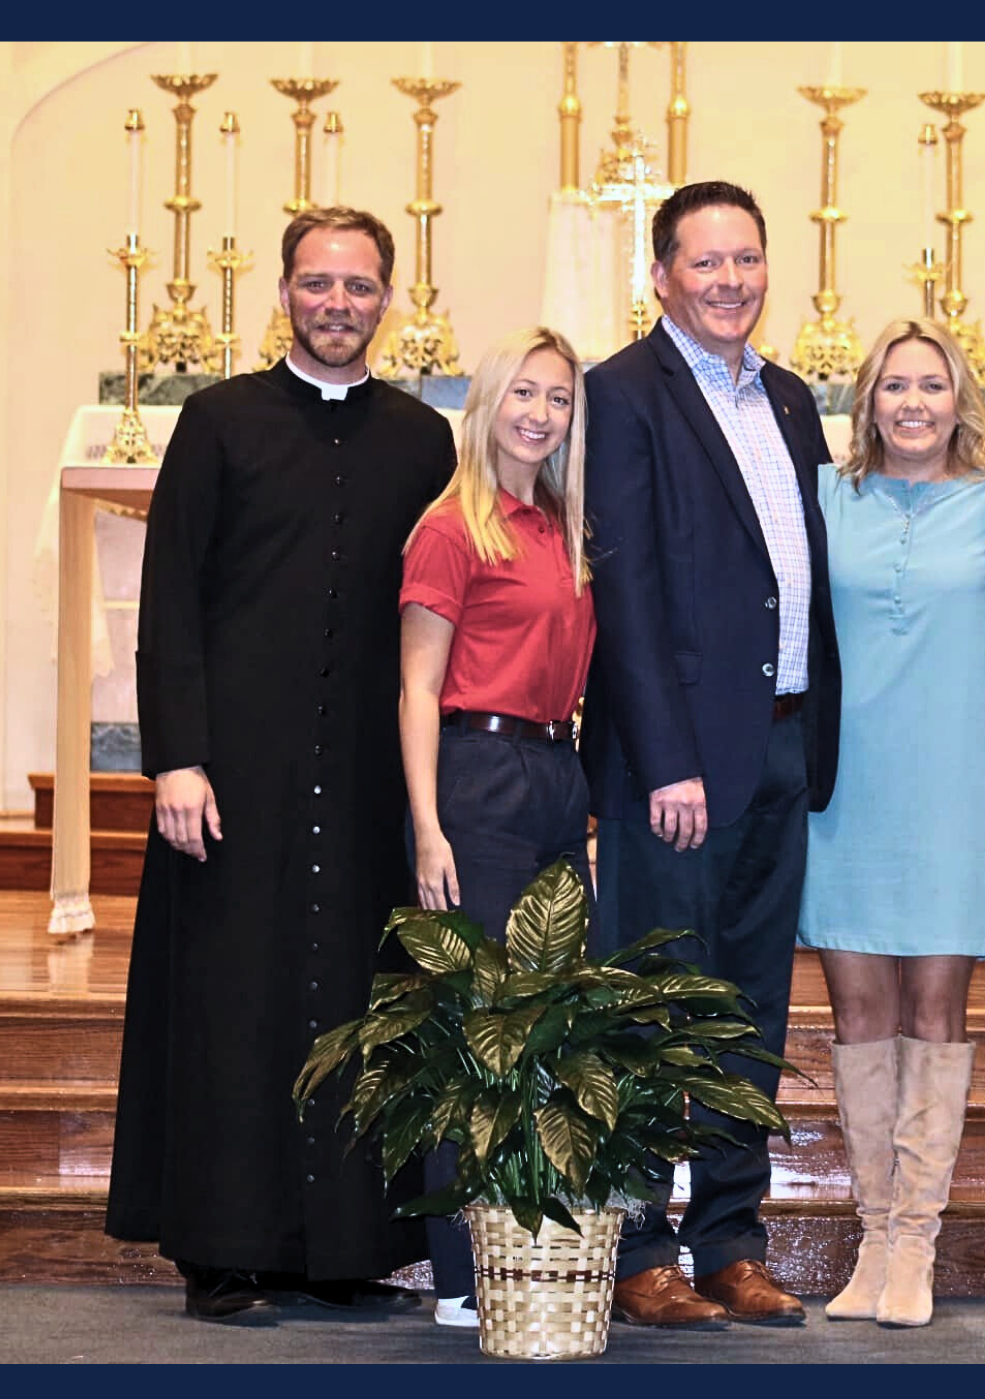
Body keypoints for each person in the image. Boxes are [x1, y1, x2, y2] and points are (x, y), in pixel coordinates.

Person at [104, 206, 457, 1323]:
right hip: (235, 771)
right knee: (230, 998)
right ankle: (223, 1248)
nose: (338, 304)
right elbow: (171, 599)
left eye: (358, 286)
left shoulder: (421, 438)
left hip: (360, 775)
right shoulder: (217, 421)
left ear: (388, 299)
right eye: (318, 283)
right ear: (285, 292)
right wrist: (179, 759)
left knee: (359, 994)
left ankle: (345, 1249)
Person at [579, 179, 842, 1330]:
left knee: (748, 1010)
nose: (729, 280)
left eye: (746, 259)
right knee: (653, 1002)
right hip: (675, 769)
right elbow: (625, 587)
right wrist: (663, 756)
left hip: (781, 746)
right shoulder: (620, 394)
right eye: (705, 263)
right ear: (660, 277)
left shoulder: (786, 397)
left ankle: (730, 1239)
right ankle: (639, 1247)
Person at [799, 318, 985, 1329]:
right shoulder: (825, 497)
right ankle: (874, 1233)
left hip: (955, 788)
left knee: (934, 1012)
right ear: (866, 398)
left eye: (931, 386)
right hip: (848, 786)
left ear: (959, 399)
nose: (913, 404)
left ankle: (917, 1245)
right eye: (894, 386)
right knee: (856, 1014)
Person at [395, 325, 598, 1330]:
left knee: (550, 1024)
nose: (538, 413)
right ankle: (460, 1274)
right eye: (522, 392)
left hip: (557, 773)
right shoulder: (451, 525)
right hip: (476, 776)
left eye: (557, 398)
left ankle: (528, 1244)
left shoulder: (561, 524)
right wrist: (428, 826)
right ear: (486, 403)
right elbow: (418, 686)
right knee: (477, 1029)